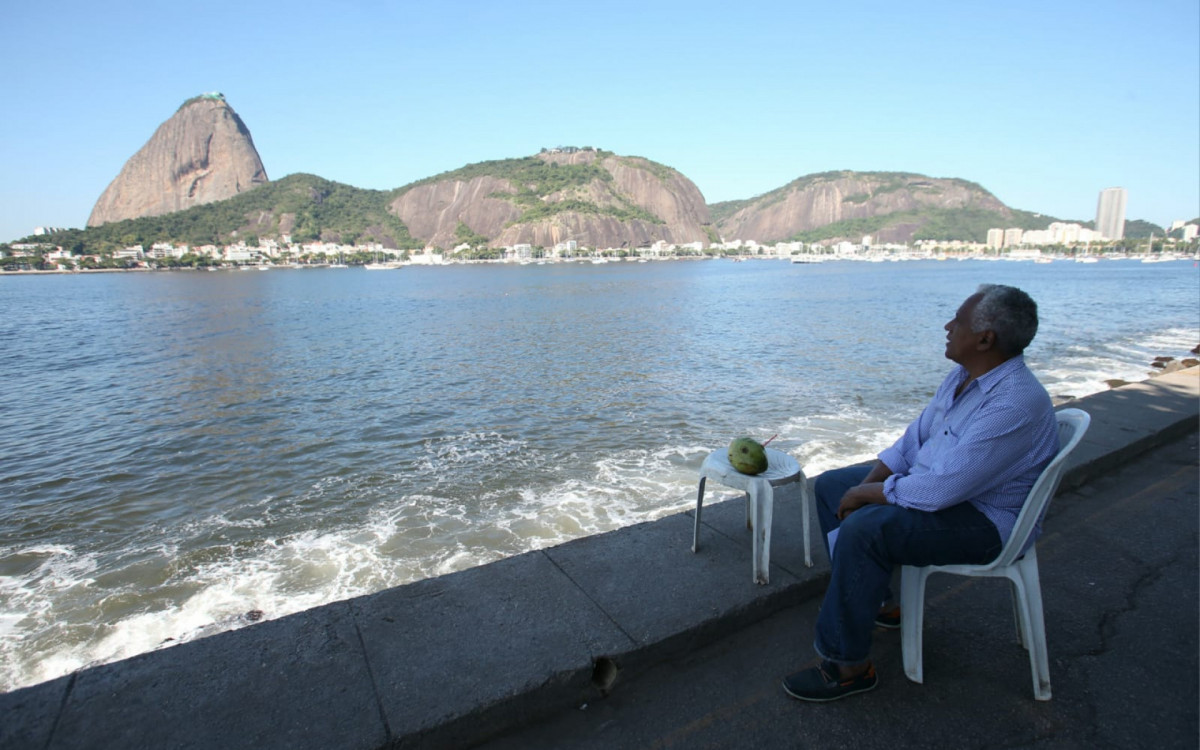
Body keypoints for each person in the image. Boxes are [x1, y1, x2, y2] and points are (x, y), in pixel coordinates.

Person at [782, 284, 1059, 702]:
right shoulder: (965, 376)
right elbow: (916, 439)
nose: (948, 327)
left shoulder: (1015, 403)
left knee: (866, 528)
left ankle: (848, 667)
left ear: (985, 339)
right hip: (951, 491)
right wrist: (863, 485)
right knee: (832, 486)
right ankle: (880, 606)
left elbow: (940, 490)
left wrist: (868, 496)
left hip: (985, 521)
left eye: (959, 322)